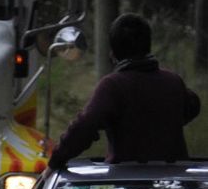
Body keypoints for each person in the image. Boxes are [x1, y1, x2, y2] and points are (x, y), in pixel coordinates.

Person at [48, 12, 201, 170]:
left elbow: (85, 126)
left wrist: (55, 162)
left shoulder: (113, 86)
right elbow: (193, 106)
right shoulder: (173, 82)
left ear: (113, 54)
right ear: (148, 46)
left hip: (125, 183)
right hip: (175, 182)